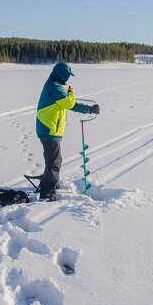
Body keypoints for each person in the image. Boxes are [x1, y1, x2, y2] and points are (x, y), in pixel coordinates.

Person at [35, 62, 100, 201]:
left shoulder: (56, 85)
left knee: (54, 160)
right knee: (54, 162)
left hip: (50, 128)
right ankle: (47, 194)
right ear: (62, 75)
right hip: (49, 129)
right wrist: (71, 92)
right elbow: (70, 103)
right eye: (67, 76)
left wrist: (89, 109)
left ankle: (51, 183)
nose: (68, 79)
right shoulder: (54, 87)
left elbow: (72, 105)